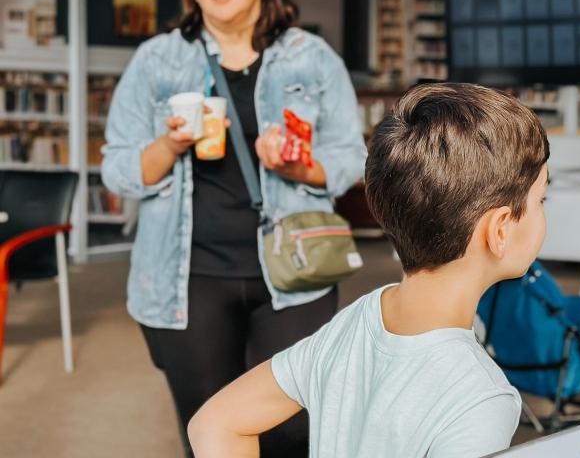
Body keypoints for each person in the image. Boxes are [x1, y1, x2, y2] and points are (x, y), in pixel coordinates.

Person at [101, 0, 367, 456]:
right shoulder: (157, 60)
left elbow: (350, 157)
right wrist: (170, 144)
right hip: (186, 282)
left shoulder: (311, 58)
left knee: (293, 432)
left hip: (295, 275)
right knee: (211, 432)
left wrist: (299, 165)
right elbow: (118, 169)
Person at [189, 83, 547, 457]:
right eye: (541, 200)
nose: (543, 211)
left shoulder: (355, 323)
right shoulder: (481, 397)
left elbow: (215, 423)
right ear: (501, 229)